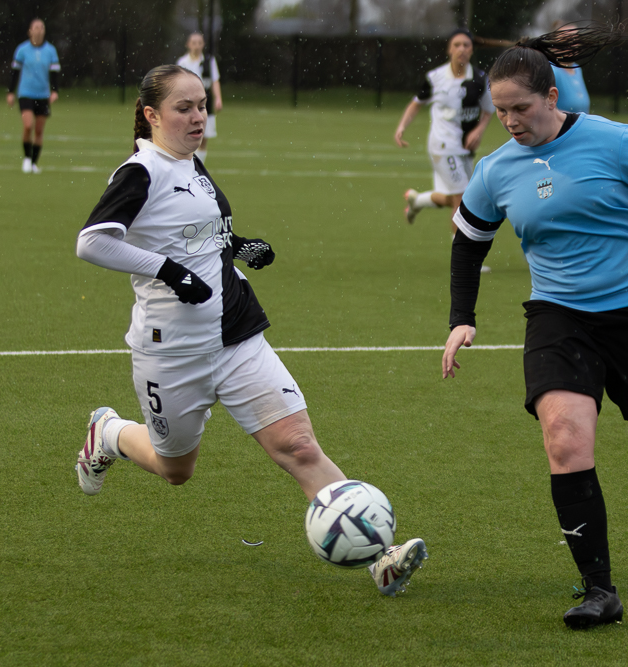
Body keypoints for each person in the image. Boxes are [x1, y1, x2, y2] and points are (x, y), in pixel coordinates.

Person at [74, 64, 426, 597]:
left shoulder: (194, 163)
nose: (198, 117)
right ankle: (109, 433)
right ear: (151, 115)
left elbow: (204, 233)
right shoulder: (141, 172)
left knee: (298, 445)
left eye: (202, 106)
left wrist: (239, 247)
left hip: (238, 335)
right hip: (173, 351)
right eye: (184, 108)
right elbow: (93, 241)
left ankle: (380, 557)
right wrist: (168, 272)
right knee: (176, 470)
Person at [440, 25, 628, 630]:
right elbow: (468, 245)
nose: (511, 121)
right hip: (559, 317)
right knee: (566, 439)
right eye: (500, 112)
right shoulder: (495, 170)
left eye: (520, 108)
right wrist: (461, 319)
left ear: (552, 97)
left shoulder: (611, 140)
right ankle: (599, 588)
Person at [395, 29, 494, 238]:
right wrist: (402, 126)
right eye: (457, 44)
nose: (461, 49)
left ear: (472, 50)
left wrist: (479, 130)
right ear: (449, 49)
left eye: (466, 45)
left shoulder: (480, 78)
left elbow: (488, 110)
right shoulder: (435, 78)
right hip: (442, 145)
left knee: (459, 196)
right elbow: (416, 103)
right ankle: (462, 260)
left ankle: (418, 200)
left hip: (465, 147)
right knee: (463, 198)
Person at [6, 18, 60, 174]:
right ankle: (27, 158)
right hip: (26, 94)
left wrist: (55, 91)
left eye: (42, 27)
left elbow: (54, 73)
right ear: (30, 31)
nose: (39, 30)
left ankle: (35, 163)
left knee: (38, 131)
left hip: (43, 95)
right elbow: (14, 73)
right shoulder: (22, 50)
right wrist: (11, 92)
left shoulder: (50, 51)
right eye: (36, 27)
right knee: (28, 125)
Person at [175, 32, 222, 163]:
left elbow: (215, 81)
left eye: (199, 43)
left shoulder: (209, 61)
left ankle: (199, 165)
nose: (197, 46)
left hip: (205, 103)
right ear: (188, 45)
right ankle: (187, 163)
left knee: (204, 137)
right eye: (194, 43)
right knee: (188, 135)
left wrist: (218, 98)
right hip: (188, 103)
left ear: (203, 45)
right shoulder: (183, 62)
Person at [550, 22, 590, 114]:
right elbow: (546, 109)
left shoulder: (577, 69)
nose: (572, 44)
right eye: (566, 39)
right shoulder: (551, 70)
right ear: (554, 43)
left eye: (575, 39)